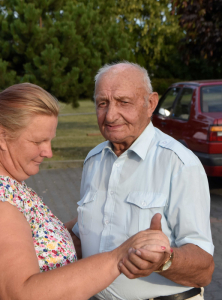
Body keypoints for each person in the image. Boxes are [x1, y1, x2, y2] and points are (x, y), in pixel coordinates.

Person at [0, 83, 171, 300]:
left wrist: (86, 224)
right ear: (2, 137)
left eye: (49, 141)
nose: (48, 152)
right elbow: (21, 293)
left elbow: (25, 241)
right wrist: (117, 258)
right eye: (38, 141)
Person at [71, 62, 215, 300]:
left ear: (150, 104)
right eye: (102, 103)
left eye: (123, 102)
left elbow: (204, 270)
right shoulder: (94, 160)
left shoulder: (179, 164)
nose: (110, 115)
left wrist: (164, 261)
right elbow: (86, 231)